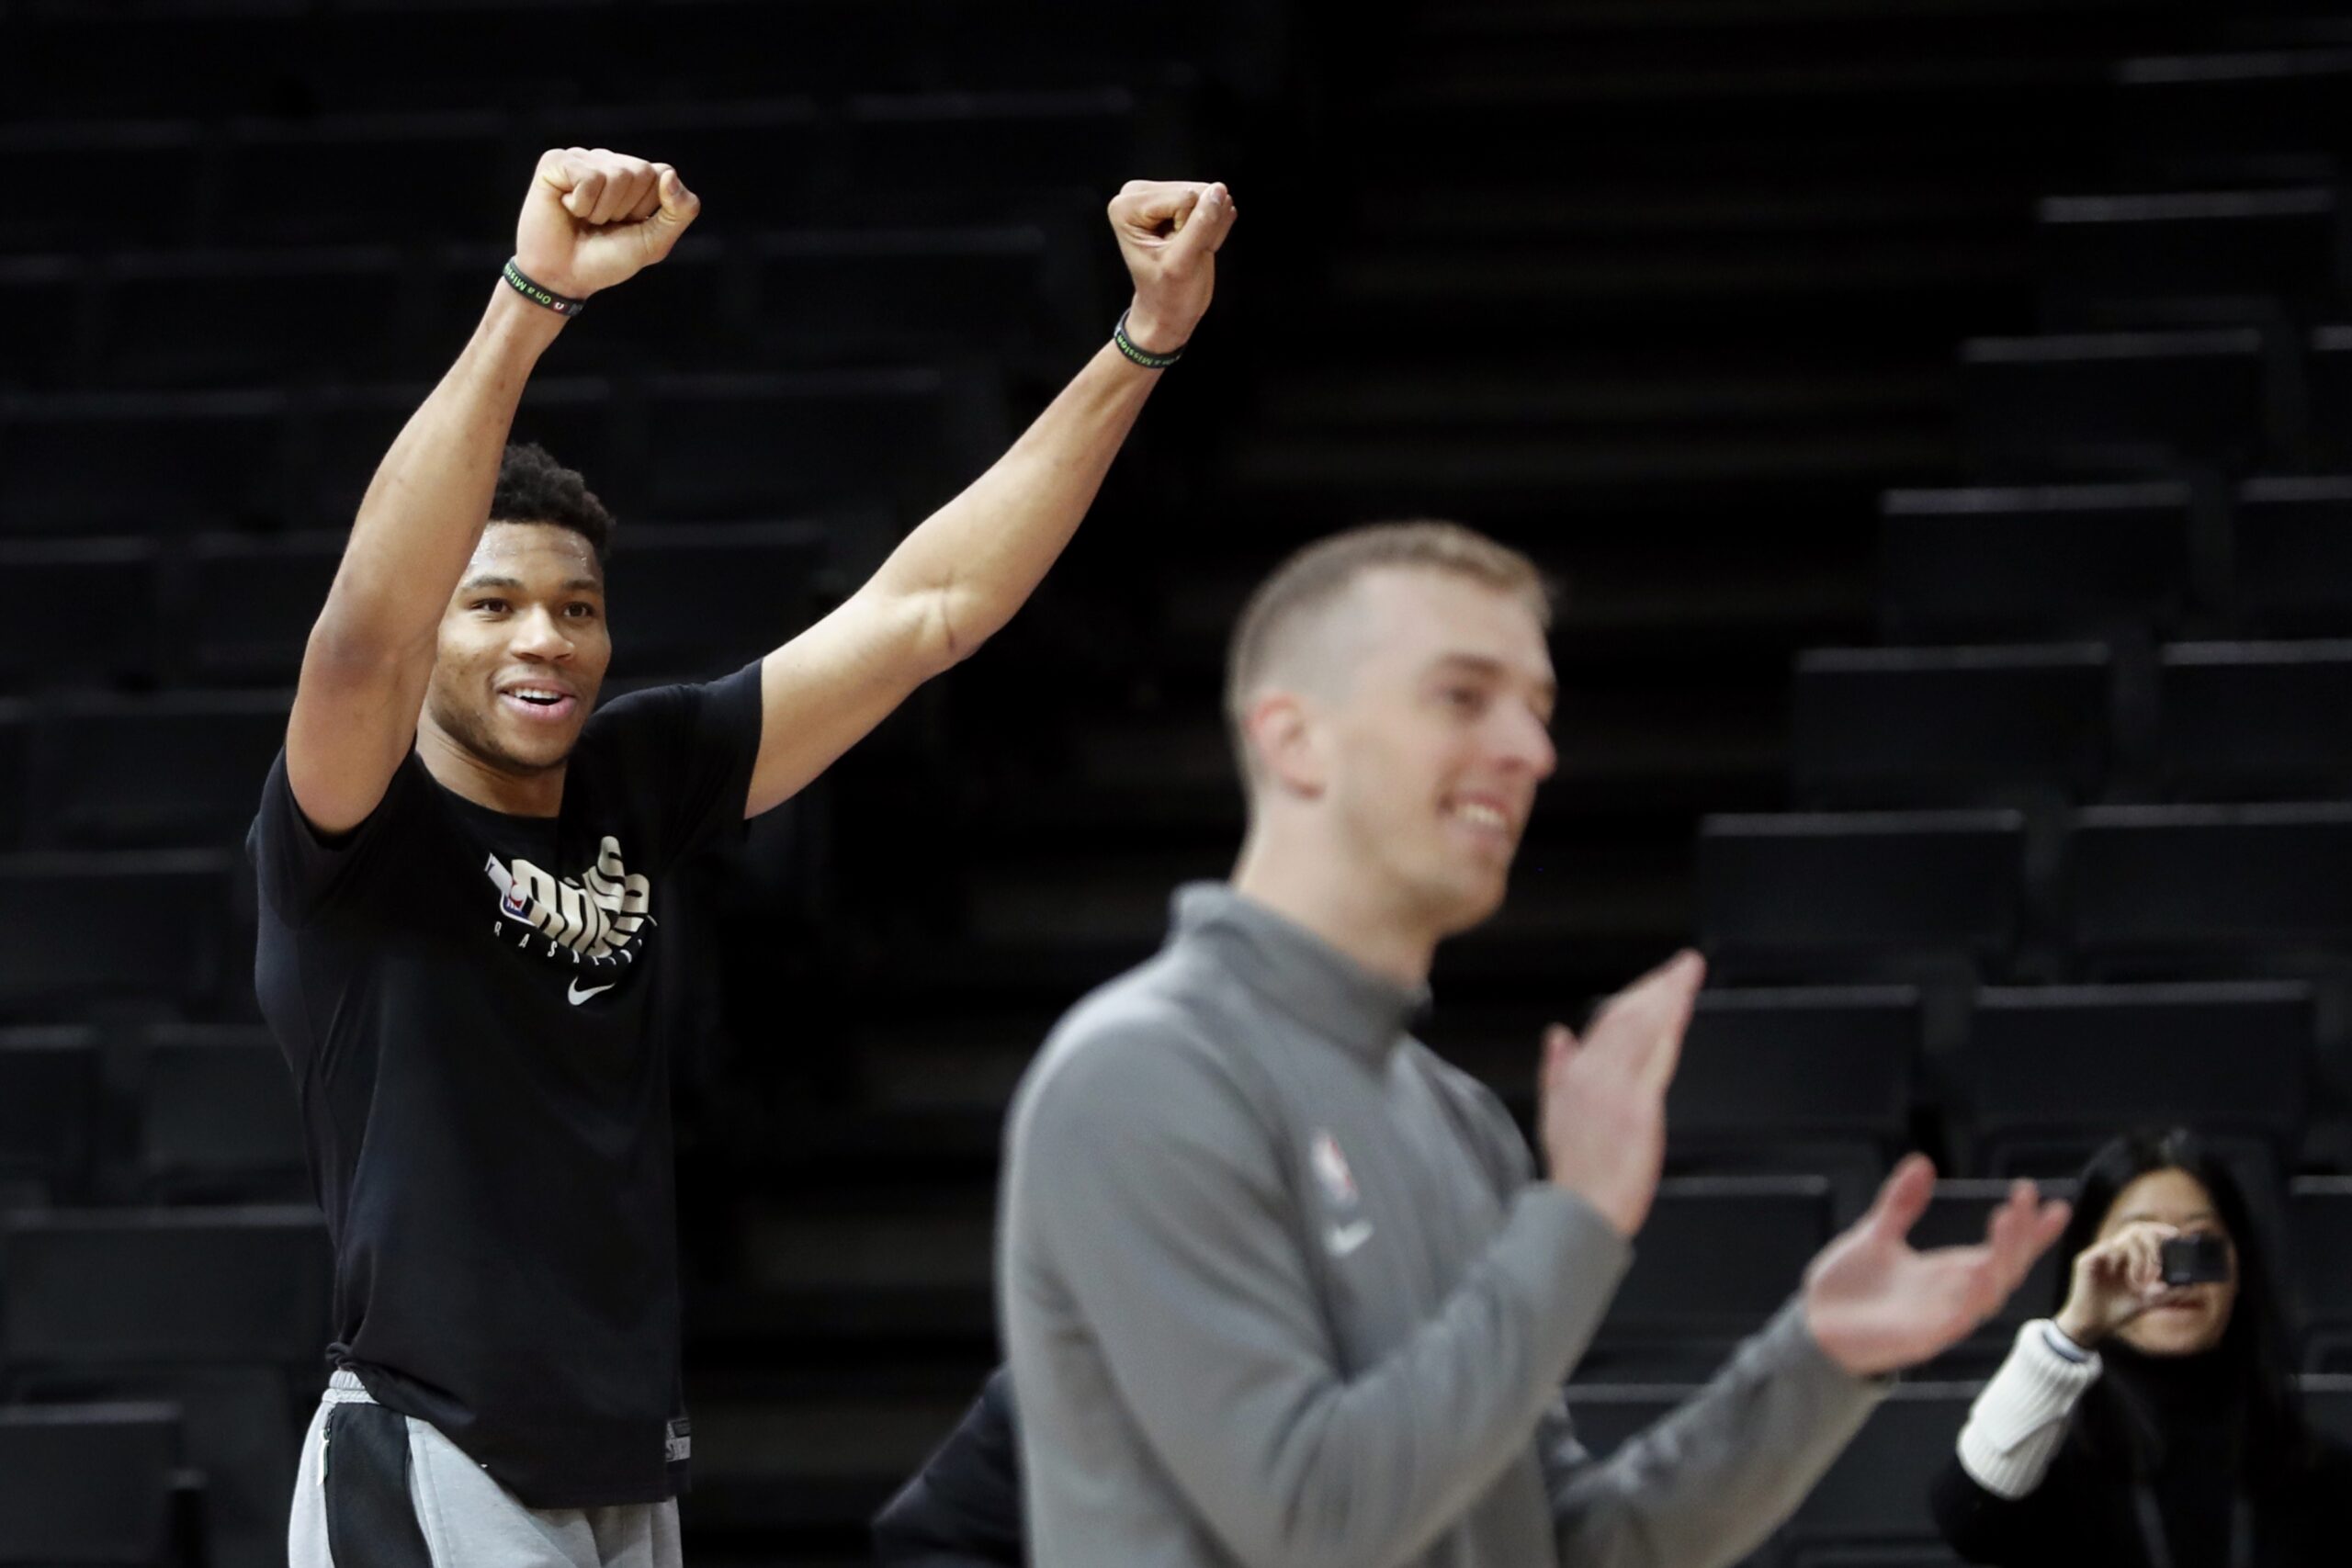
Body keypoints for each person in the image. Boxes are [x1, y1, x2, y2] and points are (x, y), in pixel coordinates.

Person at [249, 144, 1235, 1568]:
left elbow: (930, 607)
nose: (546, 638)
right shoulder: (350, 819)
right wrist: (532, 301)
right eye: (494, 604)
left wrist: (1147, 341)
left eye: (577, 607)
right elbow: (360, 628)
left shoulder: (641, 779)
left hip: (625, 1463)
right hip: (434, 1453)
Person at [939, 523, 2074, 1568]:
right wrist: (1574, 1222)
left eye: (1537, 706)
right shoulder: (1141, 1077)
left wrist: (1814, 1365)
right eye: (1463, 697)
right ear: (1294, 741)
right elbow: (1312, 1523)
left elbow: (1562, 1548)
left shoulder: (1455, 1119)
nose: (1529, 748)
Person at [1931, 1126, 2352, 1567]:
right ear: (2088, 1262)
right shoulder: (2050, 1462)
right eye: (2137, 1247)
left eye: (2197, 1246)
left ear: (2238, 1266)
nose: (2170, 1275)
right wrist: (2071, 1331)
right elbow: (1966, 1517)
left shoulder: (2315, 1473)